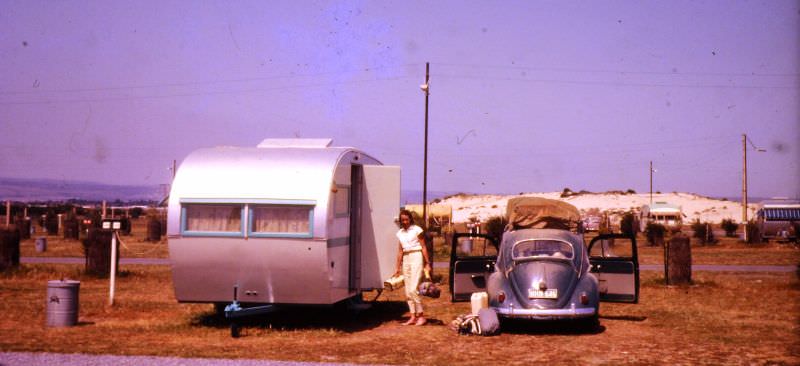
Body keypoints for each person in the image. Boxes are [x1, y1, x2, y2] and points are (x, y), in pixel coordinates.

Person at [394, 209, 431, 326]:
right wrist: (397, 267)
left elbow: (423, 246)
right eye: (402, 220)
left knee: (413, 289)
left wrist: (427, 263)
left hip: (416, 256)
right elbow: (400, 251)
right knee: (407, 291)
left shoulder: (417, 230)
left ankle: (421, 316)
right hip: (406, 258)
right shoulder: (400, 233)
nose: (404, 221)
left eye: (406, 219)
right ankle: (412, 316)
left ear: (410, 219)